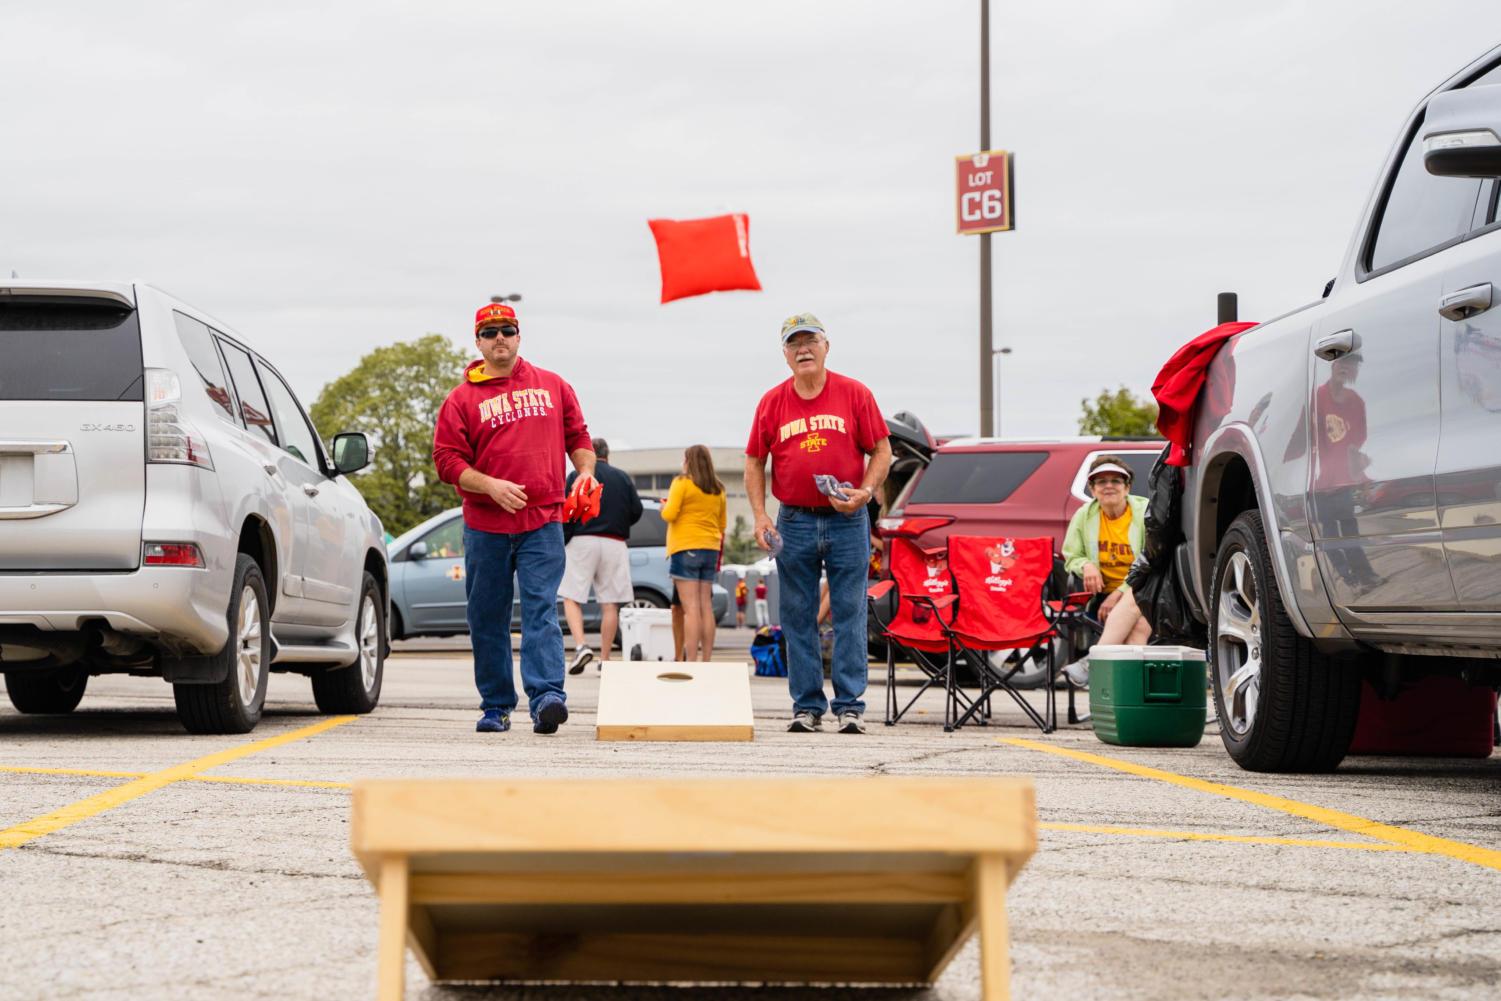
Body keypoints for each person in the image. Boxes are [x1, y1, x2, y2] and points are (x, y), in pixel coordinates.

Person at [432, 301, 595, 735]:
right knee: (487, 615)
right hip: (486, 526)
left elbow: (578, 435)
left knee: (541, 609)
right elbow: (446, 460)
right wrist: (489, 485)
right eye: (490, 332)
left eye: (507, 330)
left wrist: (585, 472)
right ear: (478, 343)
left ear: (519, 336)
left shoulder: (553, 385)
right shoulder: (461, 399)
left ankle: (547, 700)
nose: (499, 338)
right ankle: (497, 704)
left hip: (543, 519)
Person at [746, 312, 892, 734]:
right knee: (797, 615)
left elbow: (881, 450)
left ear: (827, 347)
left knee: (848, 612)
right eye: (794, 344)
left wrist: (864, 493)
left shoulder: (854, 394)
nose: (803, 349)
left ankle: (850, 706)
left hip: (847, 520)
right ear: (785, 354)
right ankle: (807, 706)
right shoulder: (772, 402)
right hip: (794, 521)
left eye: (811, 341)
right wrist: (759, 516)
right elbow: (755, 461)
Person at [1059, 455, 1150, 687]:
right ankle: (1130, 698)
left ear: (1127, 487)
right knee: (1137, 629)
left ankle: (1094, 662)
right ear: (1092, 489)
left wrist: (1119, 593)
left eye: (1116, 481)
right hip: (1102, 601)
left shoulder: (1143, 512)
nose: (1108, 485)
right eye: (1101, 482)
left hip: (1148, 591)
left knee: (1136, 598)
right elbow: (1071, 556)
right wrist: (1086, 565)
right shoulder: (1084, 515)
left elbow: (1152, 560)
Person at [560, 437, 643, 673]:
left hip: (582, 541)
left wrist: (566, 537)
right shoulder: (622, 477)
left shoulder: (577, 476)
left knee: (571, 597)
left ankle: (581, 646)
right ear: (608, 454)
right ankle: (605, 658)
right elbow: (636, 510)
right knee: (610, 604)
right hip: (614, 542)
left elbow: (565, 509)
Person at [661, 445, 728, 662]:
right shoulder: (719, 488)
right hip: (710, 548)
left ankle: (691, 661)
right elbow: (722, 523)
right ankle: (706, 659)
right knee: (705, 607)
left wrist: (664, 507)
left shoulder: (682, 483)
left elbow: (670, 514)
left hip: (685, 547)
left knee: (689, 609)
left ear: (688, 461)